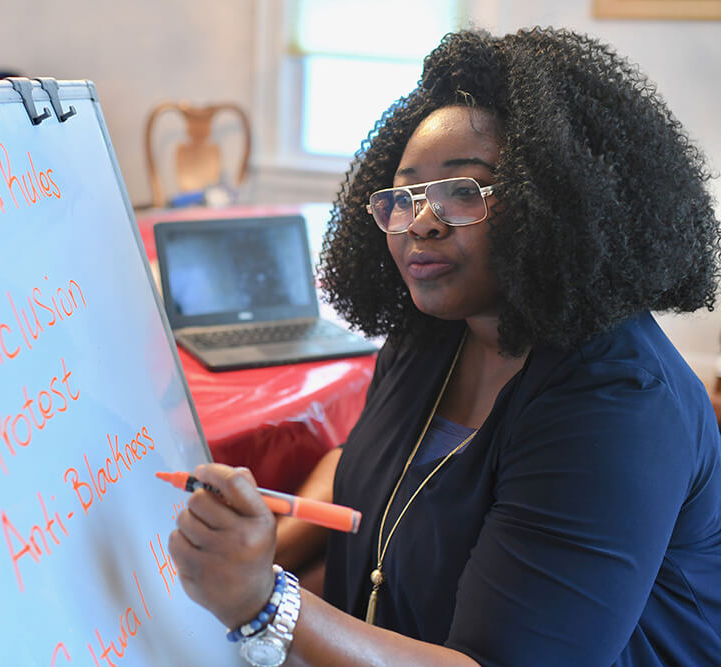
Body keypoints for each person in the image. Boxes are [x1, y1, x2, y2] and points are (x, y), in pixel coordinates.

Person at [167, 27, 721, 666]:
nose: (422, 222)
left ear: (555, 199)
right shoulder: (430, 334)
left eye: (463, 192)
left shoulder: (619, 404)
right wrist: (249, 549)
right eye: (403, 197)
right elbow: (364, 480)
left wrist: (263, 602)